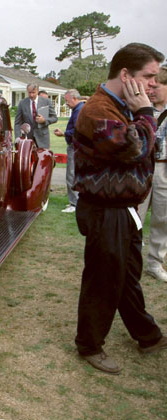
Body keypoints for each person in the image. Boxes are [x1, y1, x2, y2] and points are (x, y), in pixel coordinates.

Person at [72, 43, 167, 375]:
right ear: (126, 75)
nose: (154, 84)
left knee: (126, 277)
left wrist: (139, 111)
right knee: (103, 280)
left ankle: (148, 335)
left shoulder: (121, 105)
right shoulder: (98, 110)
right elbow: (134, 149)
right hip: (104, 210)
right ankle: (89, 345)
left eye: (155, 78)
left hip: (123, 208)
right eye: (149, 76)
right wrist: (146, 113)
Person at [137, 66, 167, 282]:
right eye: (150, 86)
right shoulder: (141, 108)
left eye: (156, 86)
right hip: (142, 167)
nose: (151, 90)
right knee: (133, 216)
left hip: (164, 168)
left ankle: (155, 263)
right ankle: (129, 261)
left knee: (162, 218)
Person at [54, 89, 84, 213]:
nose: (66, 103)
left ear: (74, 98)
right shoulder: (78, 109)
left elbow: (78, 130)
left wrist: (63, 134)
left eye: (67, 101)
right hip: (78, 146)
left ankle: (74, 203)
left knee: (71, 175)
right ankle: (76, 202)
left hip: (75, 146)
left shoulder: (78, 110)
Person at [14, 83, 57, 149]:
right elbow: (17, 123)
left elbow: (54, 118)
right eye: (29, 93)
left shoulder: (46, 102)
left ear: (37, 91)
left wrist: (44, 120)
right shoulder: (22, 103)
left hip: (43, 139)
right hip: (27, 139)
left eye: (33, 92)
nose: (31, 95)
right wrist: (17, 138)